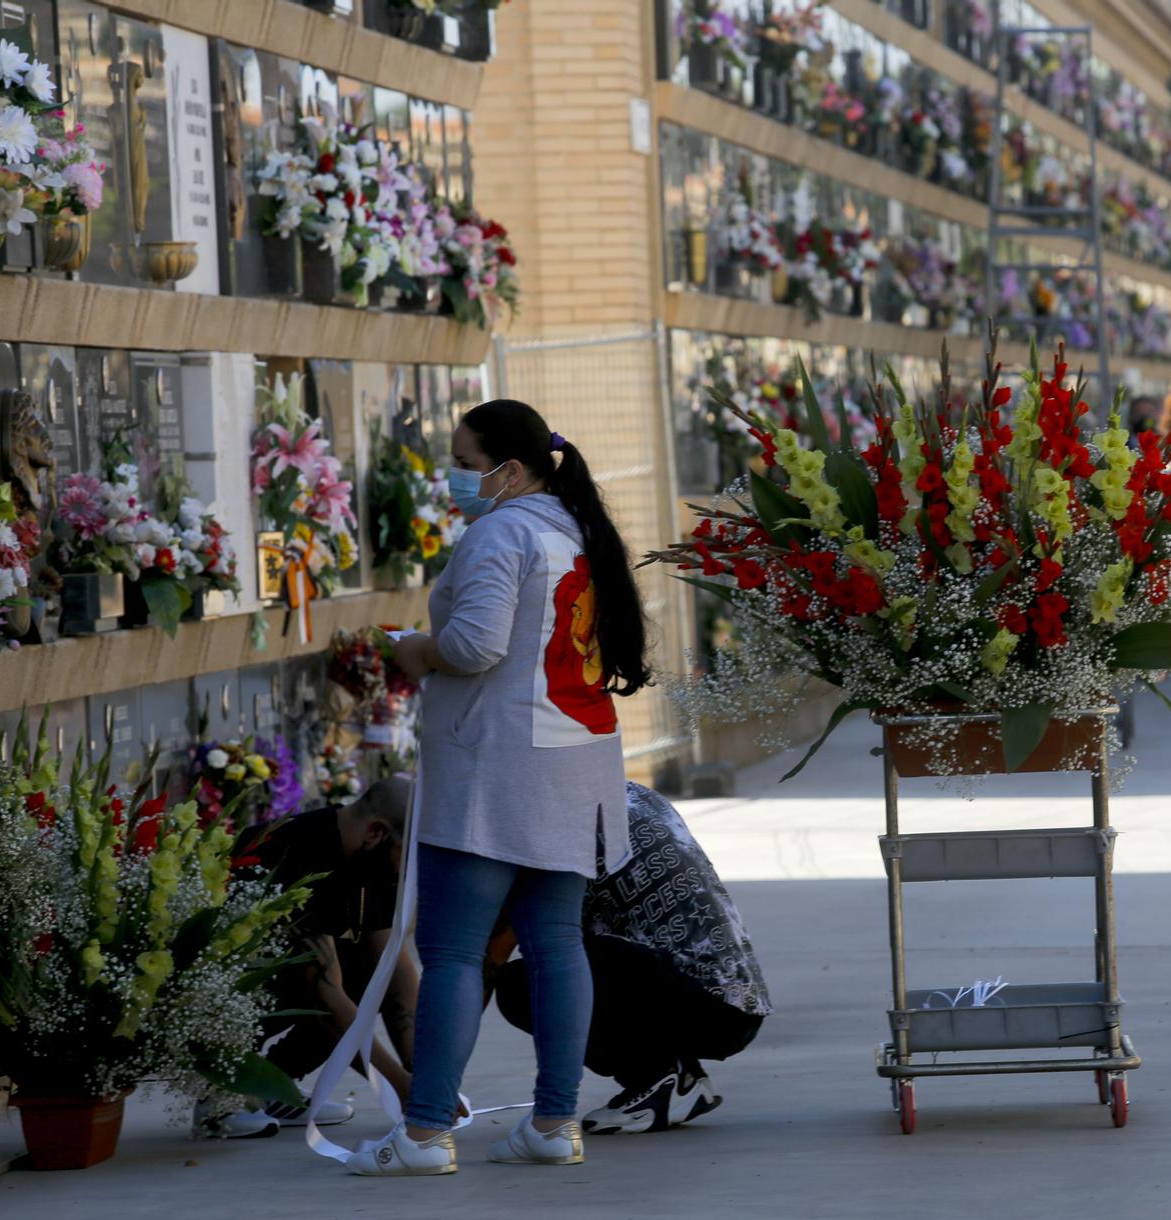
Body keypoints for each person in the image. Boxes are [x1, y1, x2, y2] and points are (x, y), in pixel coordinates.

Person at [352, 400, 650, 1176]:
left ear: (508, 470)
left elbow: (475, 644)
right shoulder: (575, 528)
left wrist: (416, 649)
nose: (455, 476)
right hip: (571, 762)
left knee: (451, 951)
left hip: (496, 769)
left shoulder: (501, 531)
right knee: (557, 946)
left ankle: (422, 1135)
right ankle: (555, 1121)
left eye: (464, 459)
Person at [487, 784, 770, 1135]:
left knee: (524, 983)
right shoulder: (627, 792)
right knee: (565, 957)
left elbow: (495, 950)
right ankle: (679, 1075)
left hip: (704, 1007)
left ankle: (656, 1079)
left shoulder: (553, 823)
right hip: (731, 1000)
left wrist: (434, 1084)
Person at [203, 777, 420, 1140]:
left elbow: (393, 970)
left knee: (369, 971)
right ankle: (218, 1094)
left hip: (276, 976)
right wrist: (400, 1085)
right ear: (376, 832)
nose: (405, 871)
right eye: (407, 855)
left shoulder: (373, 859)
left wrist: (423, 1075)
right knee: (306, 975)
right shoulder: (297, 852)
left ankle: (274, 1084)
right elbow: (323, 993)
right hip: (204, 988)